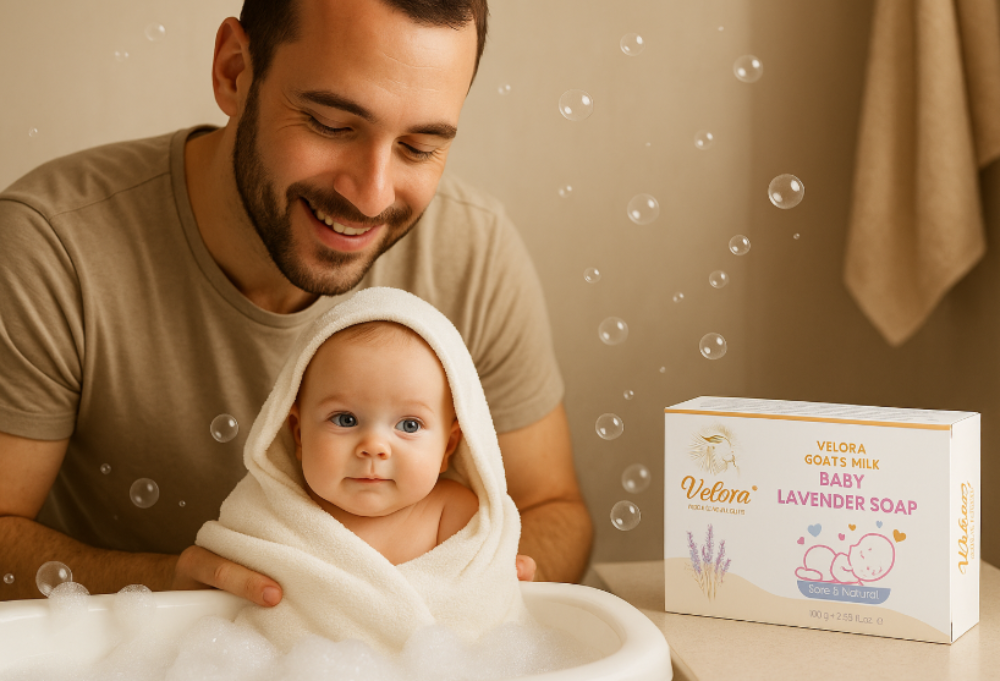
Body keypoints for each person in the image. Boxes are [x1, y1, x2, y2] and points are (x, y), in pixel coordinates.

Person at [0, 0, 592, 604]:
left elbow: (554, 508)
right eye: (333, 125)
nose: (371, 195)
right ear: (235, 71)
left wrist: (471, 587)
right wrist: (170, 592)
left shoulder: (474, 250)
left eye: (418, 147)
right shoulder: (51, 245)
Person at [287, 320, 478, 563]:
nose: (374, 447)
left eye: (410, 425)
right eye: (346, 420)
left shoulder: (453, 513)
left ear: (448, 446)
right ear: (299, 434)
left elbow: (483, 590)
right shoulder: (277, 511)